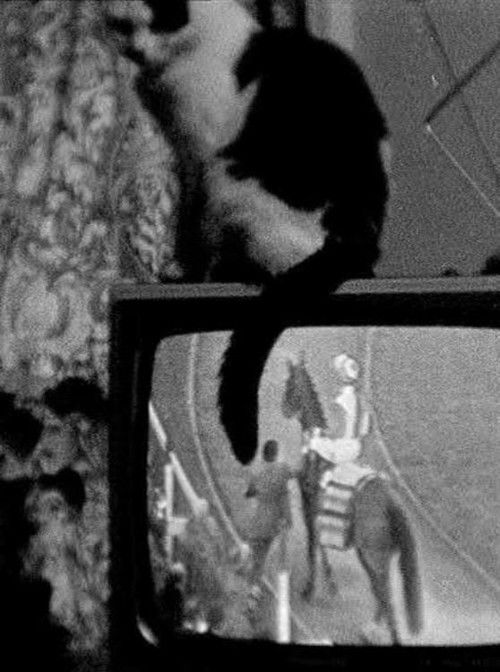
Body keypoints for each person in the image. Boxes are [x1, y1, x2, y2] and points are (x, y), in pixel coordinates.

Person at [245, 439, 296, 586]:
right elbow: (295, 473)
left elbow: (250, 492)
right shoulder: (283, 469)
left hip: (258, 520)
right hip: (273, 522)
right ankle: (254, 587)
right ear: (276, 454)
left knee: (256, 555)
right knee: (268, 557)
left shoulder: (256, 470)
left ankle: (250, 584)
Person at [308, 353, 370, 466]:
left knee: (312, 442)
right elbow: (364, 430)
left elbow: (335, 430)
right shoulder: (362, 400)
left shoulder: (340, 401)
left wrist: (318, 433)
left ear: (340, 375)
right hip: (357, 448)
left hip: (340, 449)